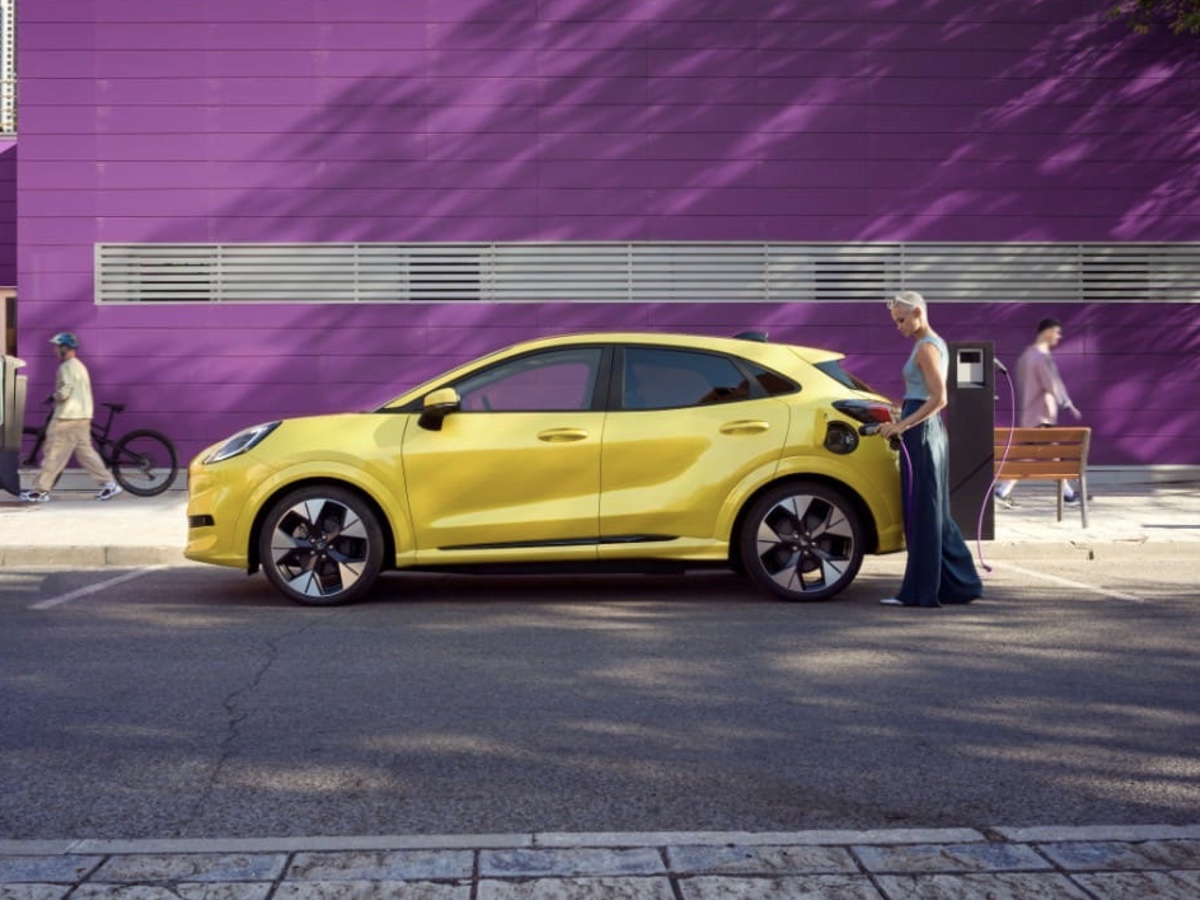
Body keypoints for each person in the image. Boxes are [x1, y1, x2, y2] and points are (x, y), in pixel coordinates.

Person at [877, 291, 983, 608]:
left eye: (901, 319)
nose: (898, 326)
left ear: (918, 313)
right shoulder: (933, 344)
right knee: (934, 513)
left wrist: (902, 425)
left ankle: (919, 593)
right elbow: (924, 396)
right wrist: (902, 416)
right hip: (927, 431)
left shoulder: (926, 347)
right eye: (895, 321)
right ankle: (961, 585)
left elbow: (940, 399)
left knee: (923, 513)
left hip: (923, 434)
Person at [20, 332, 123, 503]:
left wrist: (54, 396)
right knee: (86, 454)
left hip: (67, 418)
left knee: (54, 453)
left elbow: (66, 390)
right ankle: (110, 484)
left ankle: (40, 491)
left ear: (65, 348)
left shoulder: (66, 367)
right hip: (82, 417)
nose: (54, 350)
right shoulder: (79, 366)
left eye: (57, 347)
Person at [994, 317, 1083, 508]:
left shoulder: (1026, 356)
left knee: (1039, 456)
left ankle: (1002, 491)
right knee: (1050, 455)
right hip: (1041, 416)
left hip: (1031, 414)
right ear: (1047, 331)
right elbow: (1051, 383)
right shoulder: (1040, 356)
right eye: (1057, 332)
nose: (1059, 337)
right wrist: (1067, 403)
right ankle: (1067, 496)